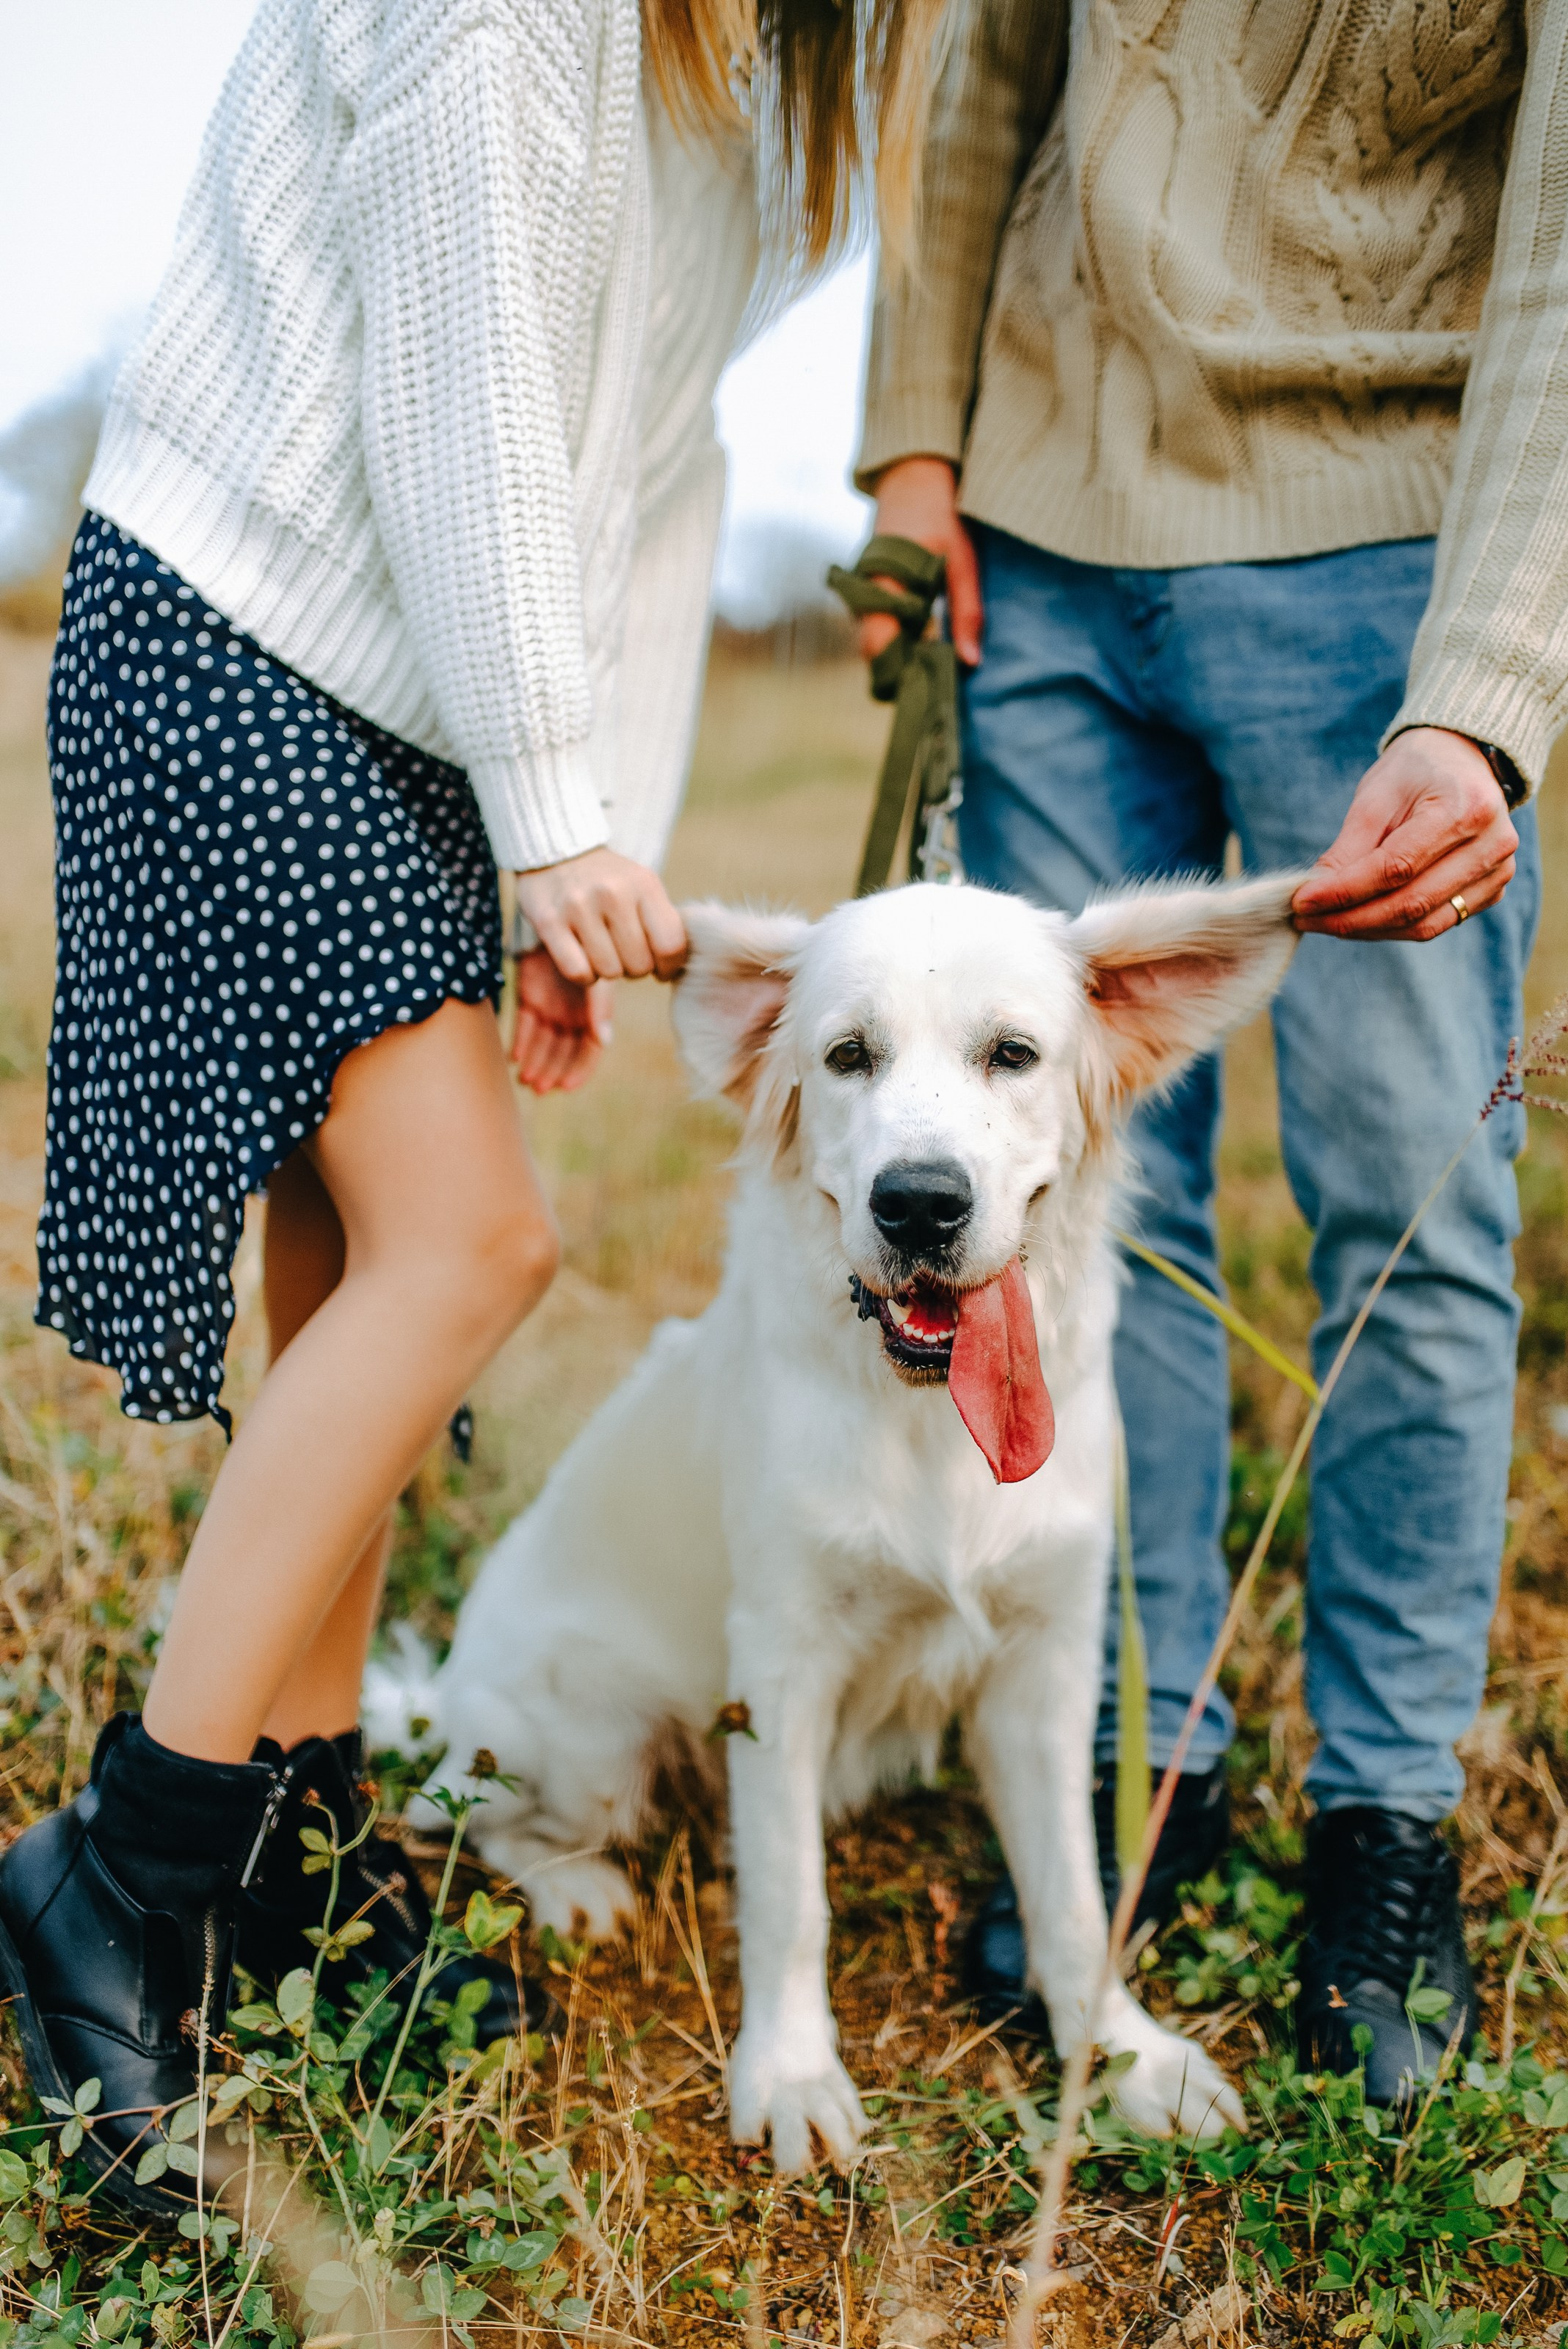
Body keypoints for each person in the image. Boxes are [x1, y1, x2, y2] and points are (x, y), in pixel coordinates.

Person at [0, 0, 946, 2205]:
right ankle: (119, 1876)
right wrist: (553, 813)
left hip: (398, 686)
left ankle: (294, 1853)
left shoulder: (761, 83)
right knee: (475, 1244)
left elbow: (648, 461)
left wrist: (577, 833)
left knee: (348, 1261)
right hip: (240, 631)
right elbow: (470, 402)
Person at [855, 0, 1566, 2101]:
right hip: (1050, 556)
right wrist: (919, 453)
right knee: (1078, 1202)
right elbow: (976, 63)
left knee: (1403, 1210)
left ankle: (1386, 1817)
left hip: (1379, 558)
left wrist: (1490, 685)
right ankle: (1132, 1750)